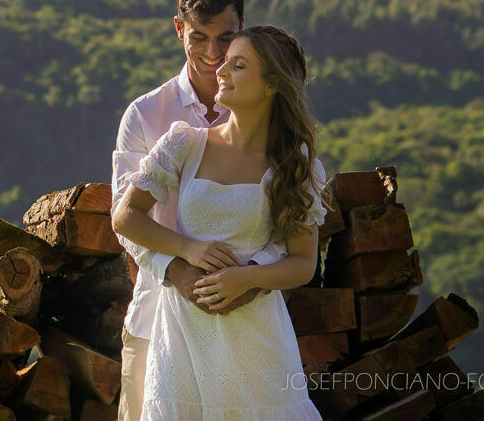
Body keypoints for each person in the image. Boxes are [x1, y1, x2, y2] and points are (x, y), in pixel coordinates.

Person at [110, 25, 326, 421]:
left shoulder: (294, 165)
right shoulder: (185, 144)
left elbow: (303, 263)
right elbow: (125, 217)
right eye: (225, 63)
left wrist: (246, 278)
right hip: (180, 334)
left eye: (238, 65)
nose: (221, 72)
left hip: (254, 335)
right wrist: (188, 249)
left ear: (271, 84)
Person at [111, 0, 258, 421]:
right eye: (199, 37)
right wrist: (180, 269)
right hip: (154, 317)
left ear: (242, 30)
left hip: (244, 320)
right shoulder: (146, 115)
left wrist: (250, 280)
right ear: (179, 29)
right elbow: (125, 223)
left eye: (225, 38)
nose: (213, 53)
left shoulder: (267, 114)